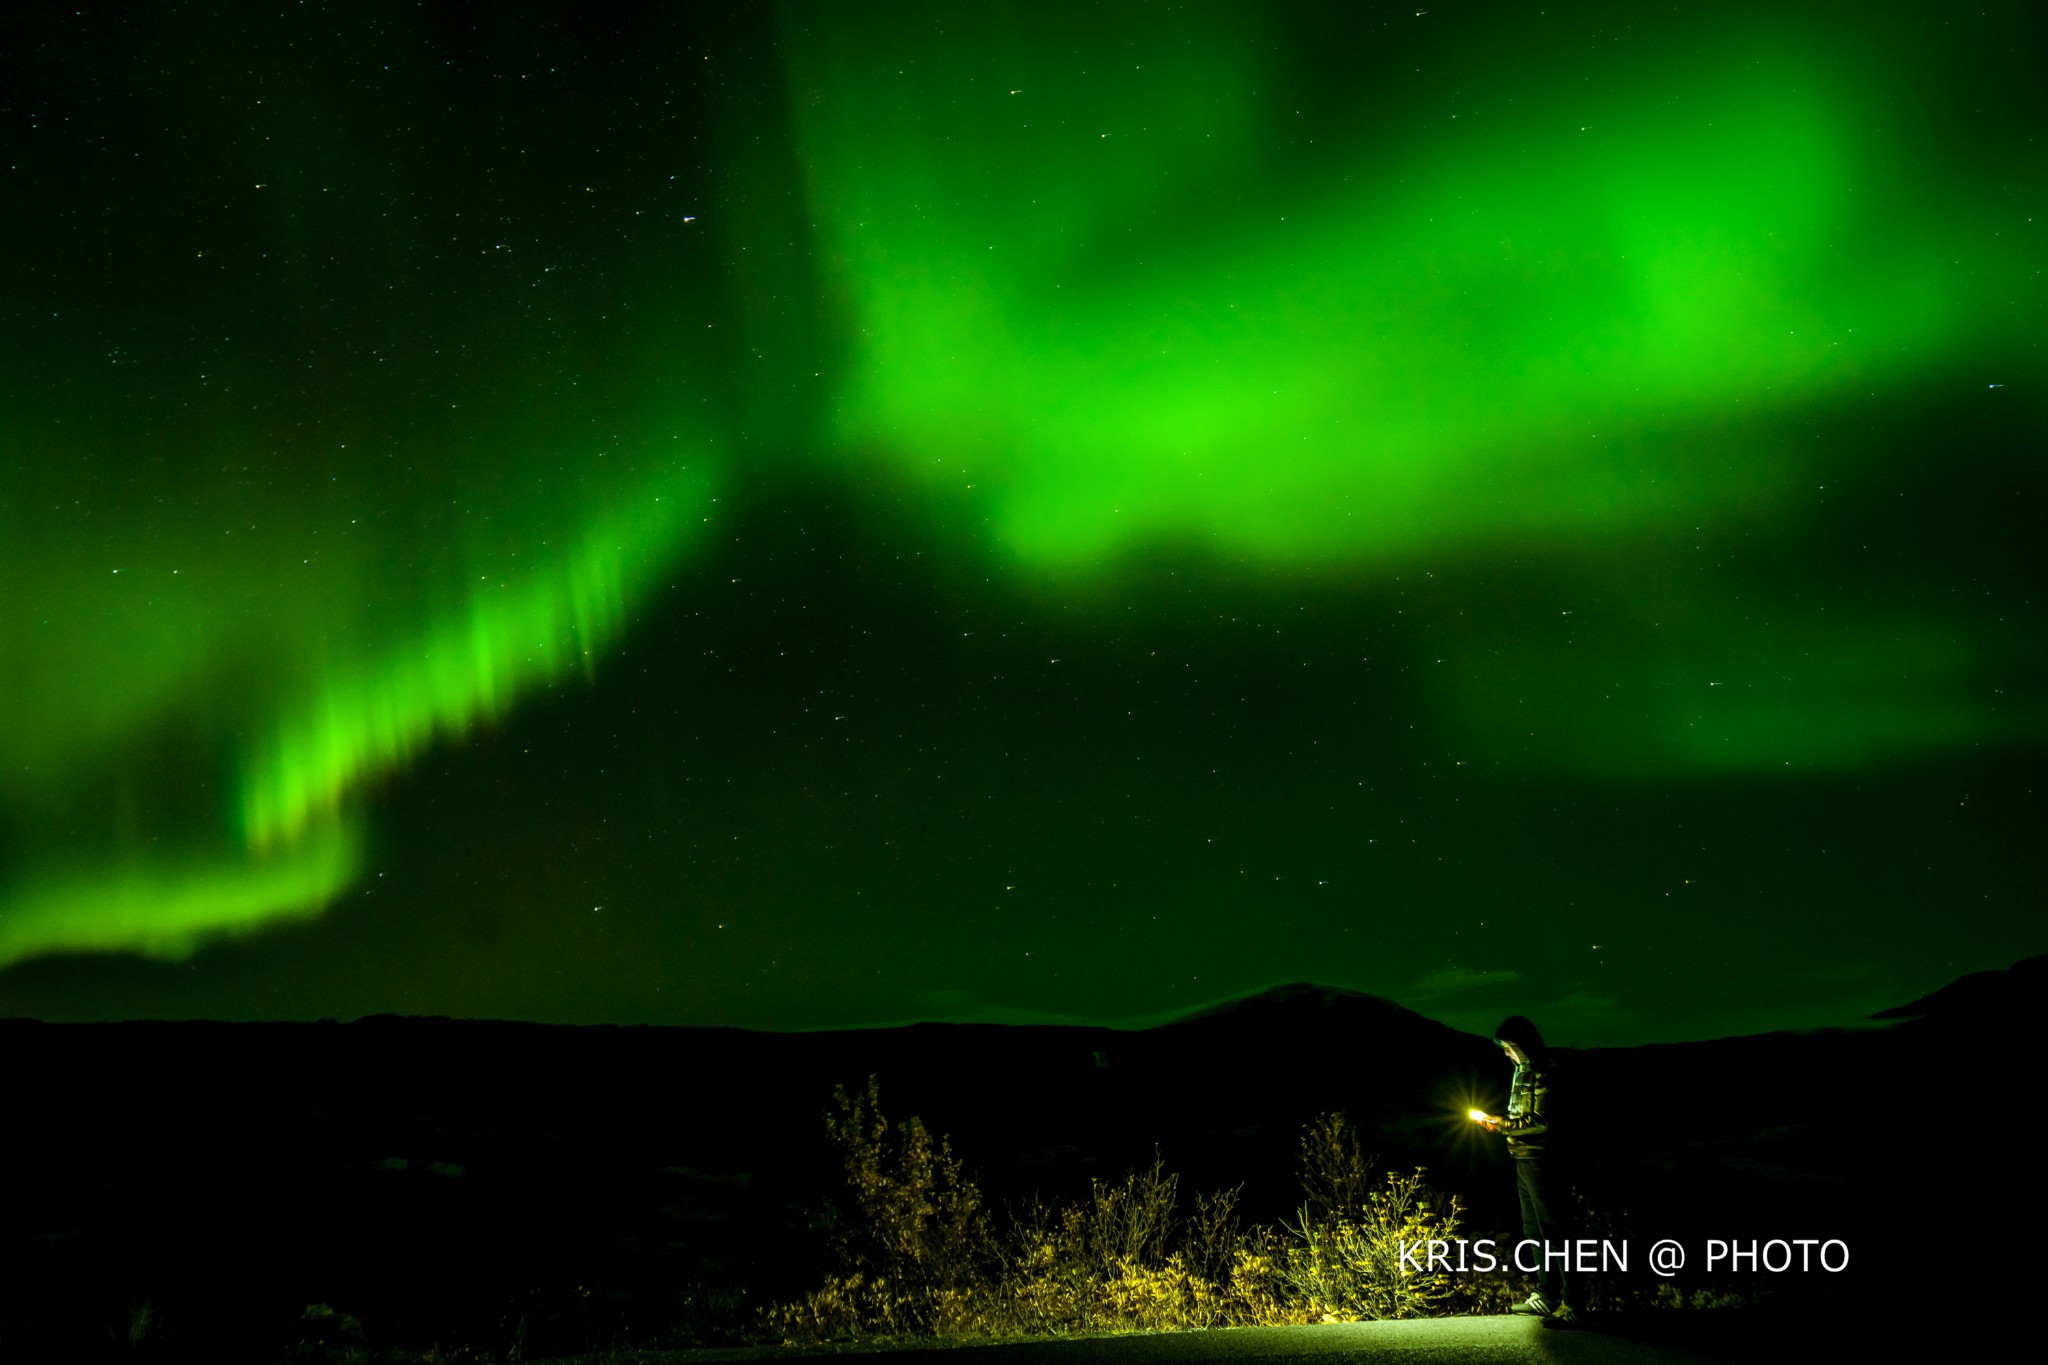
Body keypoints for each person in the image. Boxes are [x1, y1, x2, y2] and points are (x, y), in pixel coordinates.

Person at [1482, 1015, 1575, 1324]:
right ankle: (1546, 1295)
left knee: (1555, 1229)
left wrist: (1501, 1124)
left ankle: (1573, 1303)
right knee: (1534, 1229)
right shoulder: (1522, 1072)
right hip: (1523, 1157)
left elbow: (1542, 1120)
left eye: (1509, 1047)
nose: (1506, 1054)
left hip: (1541, 1158)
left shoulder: (1543, 1071)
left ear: (1523, 1045)